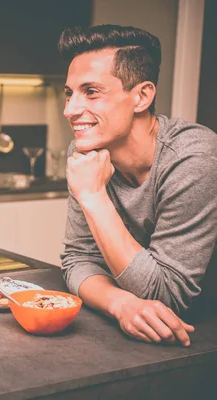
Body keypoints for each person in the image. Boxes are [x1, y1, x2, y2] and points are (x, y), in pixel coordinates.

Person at [58, 25, 217, 347]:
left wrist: (93, 196)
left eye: (91, 92)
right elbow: (78, 259)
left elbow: (166, 295)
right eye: (69, 93)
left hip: (199, 337)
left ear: (142, 96)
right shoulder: (85, 153)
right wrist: (120, 303)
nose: (70, 110)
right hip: (141, 330)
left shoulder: (195, 156)